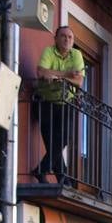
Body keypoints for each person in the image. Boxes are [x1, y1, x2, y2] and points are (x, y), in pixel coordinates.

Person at [33, 25, 84, 181]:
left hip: (65, 102)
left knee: (63, 139)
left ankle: (41, 170)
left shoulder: (76, 55)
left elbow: (79, 82)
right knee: (51, 142)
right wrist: (67, 74)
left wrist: (56, 75)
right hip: (45, 102)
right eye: (63, 36)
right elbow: (41, 72)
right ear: (55, 39)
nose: (67, 39)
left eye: (70, 37)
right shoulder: (49, 51)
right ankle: (63, 178)